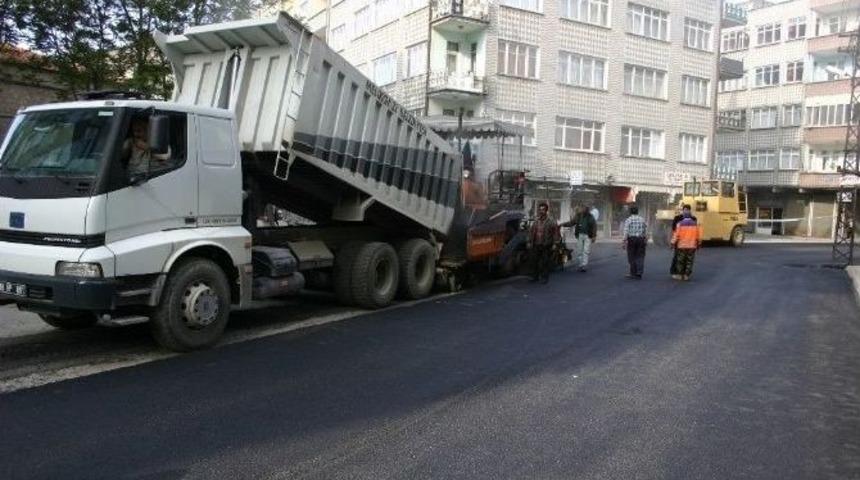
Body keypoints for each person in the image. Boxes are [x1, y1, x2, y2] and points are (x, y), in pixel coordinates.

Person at [528, 202, 560, 283]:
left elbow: (555, 233)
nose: (541, 211)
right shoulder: (536, 221)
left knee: (545, 262)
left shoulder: (551, 221)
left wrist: (555, 243)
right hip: (536, 244)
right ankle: (535, 277)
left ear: (546, 211)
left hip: (546, 244)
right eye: (540, 209)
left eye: (543, 210)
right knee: (534, 261)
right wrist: (529, 241)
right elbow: (531, 232)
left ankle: (545, 277)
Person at [562, 205, 597, 272]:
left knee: (586, 251)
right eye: (582, 208)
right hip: (580, 235)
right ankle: (580, 265)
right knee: (580, 251)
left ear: (587, 209)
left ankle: (584, 265)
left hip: (588, 236)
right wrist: (562, 224)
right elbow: (572, 223)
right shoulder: (578, 216)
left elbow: (594, 226)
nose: (583, 210)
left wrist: (594, 236)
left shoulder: (590, 217)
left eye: (585, 208)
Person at [672, 207, 702, 281]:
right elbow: (698, 236)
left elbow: (676, 235)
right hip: (692, 246)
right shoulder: (695, 225)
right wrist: (698, 244)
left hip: (682, 246)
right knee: (689, 261)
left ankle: (680, 275)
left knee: (680, 261)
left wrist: (672, 243)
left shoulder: (680, 224)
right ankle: (686, 275)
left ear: (684, 216)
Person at [622, 206, 647, 279]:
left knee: (632, 256)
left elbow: (626, 231)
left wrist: (624, 241)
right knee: (640, 256)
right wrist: (645, 239)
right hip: (641, 239)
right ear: (637, 212)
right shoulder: (642, 219)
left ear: (630, 212)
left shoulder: (628, 220)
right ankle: (639, 272)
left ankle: (633, 273)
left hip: (632, 239)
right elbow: (645, 229)